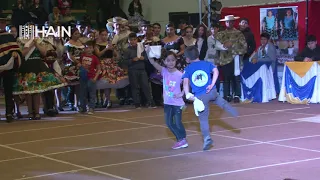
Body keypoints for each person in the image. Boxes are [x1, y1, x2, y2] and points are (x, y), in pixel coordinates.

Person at [182, 46, 239, 151]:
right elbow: (216, 71)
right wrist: (212, 84)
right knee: (219, 100)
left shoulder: (188, 69)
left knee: (203, 119)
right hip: (211, 91)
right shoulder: (207, 63)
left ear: (187, 59)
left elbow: (185, 82)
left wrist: (187, 94)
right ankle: (232, 110)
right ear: (198, 54)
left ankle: (207, 138)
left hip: (200, 97)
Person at [148, 50, 187, 149]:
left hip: (178, 104)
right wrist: (149, 51)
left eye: (173, 60)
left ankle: (182, 140)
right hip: (167, 103)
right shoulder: (164, 71)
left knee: (178, 123)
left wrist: (182, 93)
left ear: (176, 61)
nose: (171, 62)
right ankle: (181, 139)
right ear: (164, 61)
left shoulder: (179, 74)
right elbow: (152, 62)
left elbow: (187, 83)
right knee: (169, 123)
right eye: (168, 60)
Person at [0, 14, 22, 122]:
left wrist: (15, 53)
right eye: (0, 22)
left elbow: (17, 50)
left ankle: (9, 112)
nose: (2, 24)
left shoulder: (9, 36)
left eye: (3, 22)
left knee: (9, 91)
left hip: (7, 68)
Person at [124, 33, 155, 108]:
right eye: (131, 40)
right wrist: (132, 60)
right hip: (132, 70)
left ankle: (150, 102)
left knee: (146, 86)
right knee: (135, 87)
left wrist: (143, 58)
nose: (133, 41)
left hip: (142, 70)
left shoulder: (141, 47)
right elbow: (124, 62)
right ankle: (137, 103)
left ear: (137, 40)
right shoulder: (127, 50)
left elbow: (147, 57)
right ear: (128, 41)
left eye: (134, 39)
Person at [78, 41, 101, 114]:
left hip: (91, 78)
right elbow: (80, 65)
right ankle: (83, 107)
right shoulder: (82, 56)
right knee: (82, 93)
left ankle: (91, 108)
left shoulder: (95, 58)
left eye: (90, 48)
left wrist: (95, 78)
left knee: (92, 94)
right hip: (83, 77)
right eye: (87, 47)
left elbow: (99, 69)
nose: (88, 49)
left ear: (93, 49)